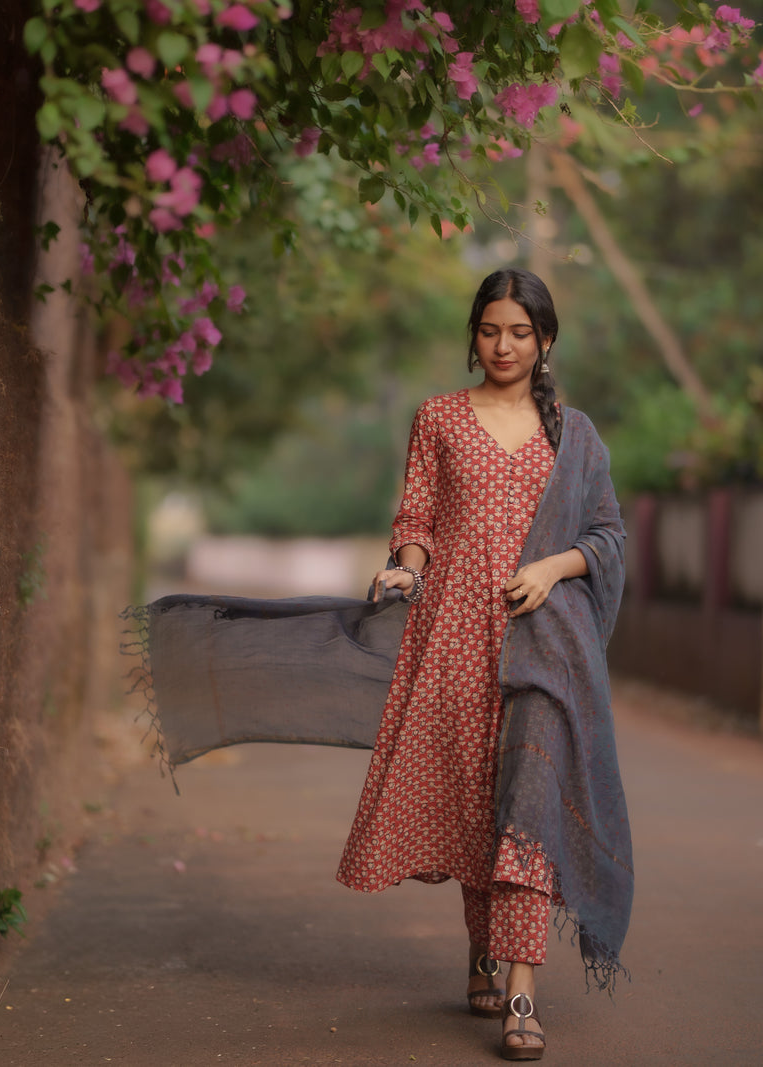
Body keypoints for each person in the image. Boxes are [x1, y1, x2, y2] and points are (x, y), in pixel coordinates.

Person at [336, 268, 633, 1061]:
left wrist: (554, 566)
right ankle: (482, 948)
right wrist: (406, 565)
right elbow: (418, 513)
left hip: (545, 644)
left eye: (521, 332)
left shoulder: (575, 433)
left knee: (527, 801)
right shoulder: (436, 417)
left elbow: (608, 535)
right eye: (491, 329)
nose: (504, 345)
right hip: (453, 634)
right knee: (479, 799)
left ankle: (523, 995)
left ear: (545, 341)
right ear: (474, 335)